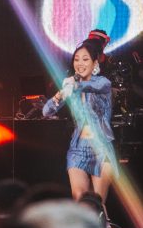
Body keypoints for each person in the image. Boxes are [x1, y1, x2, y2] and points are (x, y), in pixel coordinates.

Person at [43, 30, 116, 202]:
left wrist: (75, 86)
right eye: (76, 59)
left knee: (97, 203)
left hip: (101, 149)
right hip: (77, 149)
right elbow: (46, 112)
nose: (80, 63)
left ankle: (103, 220)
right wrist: (59, 95)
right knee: (80, 200)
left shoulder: (103, 83)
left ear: (95, 63)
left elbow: (92, 87)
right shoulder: (70, 84)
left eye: (85, 59)